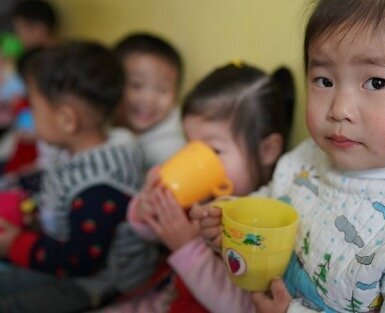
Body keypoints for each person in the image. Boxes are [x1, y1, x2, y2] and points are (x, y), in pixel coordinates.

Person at [192, 0, 385, 312]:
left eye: (376, 82)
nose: (339, 109)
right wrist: (234, 223)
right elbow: (275, 202)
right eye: (324, 81)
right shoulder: (311, 155)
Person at [103, 61, 295, 312]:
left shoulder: (266, 225)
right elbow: (151, 229)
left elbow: (242, 307)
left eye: (214, 149)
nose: (197, 159)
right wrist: (146, 208)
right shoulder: (202, 197)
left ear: (267, 150)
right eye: (191, 144)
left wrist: (187, 247)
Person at [0, 41, 150, 313]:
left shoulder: (101, 186)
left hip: (95, 285)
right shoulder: (76, 148)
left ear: (67, 120)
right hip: (59, 253)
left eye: (34, 107)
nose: (30, 116)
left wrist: (15, 245)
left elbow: (78, 261)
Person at [114, 33, 186, 170]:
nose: (149, 100)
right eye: (136, 85)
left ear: (177, 95)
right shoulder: (100, 124)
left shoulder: (172, 148)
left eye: (162, 89)